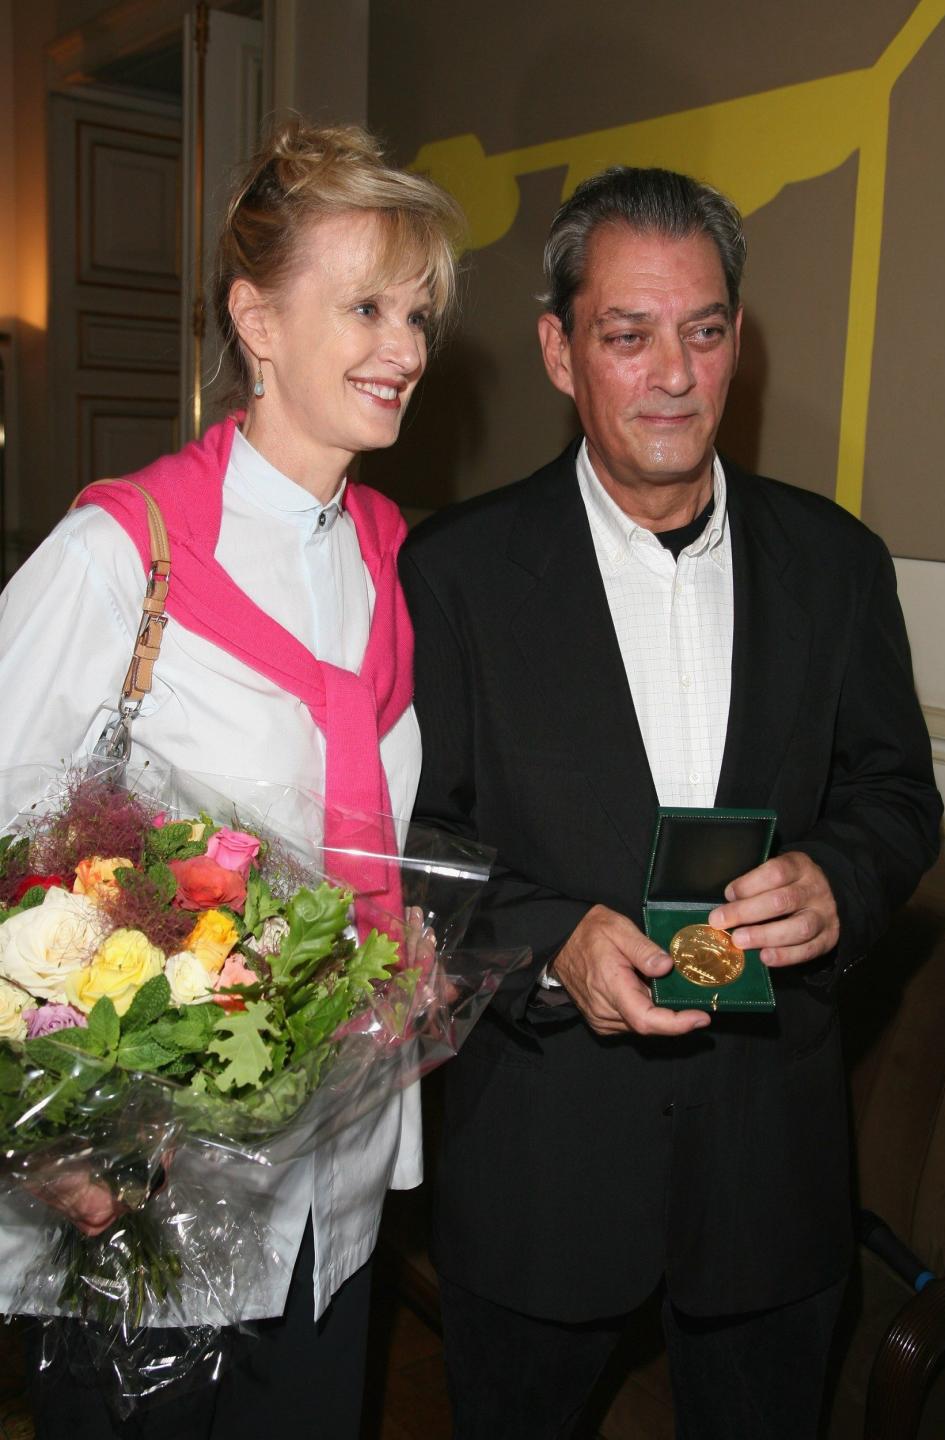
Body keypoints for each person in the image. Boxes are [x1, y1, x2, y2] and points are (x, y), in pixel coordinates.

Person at [398, 165, 942, 1439]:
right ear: (557, 350)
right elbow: (415, 847)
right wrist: (549, 943)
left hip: (772, 1172)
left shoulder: (838, 563)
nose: (673, 375)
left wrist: (840, 879)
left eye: (703, 331)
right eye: (627, 335)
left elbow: (897, 795)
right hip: (538, 1171)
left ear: (738, 342)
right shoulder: (455, 574)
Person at [0, 119, 461, 1438]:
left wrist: (410, 939)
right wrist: (47, 1142)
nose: (408, 349)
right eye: (367, 306)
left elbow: (368, 834)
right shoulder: (119, 556)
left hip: (336, 1175)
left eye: (418, 312)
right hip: (142, 1185)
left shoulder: (394, 562)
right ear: (257, 320)